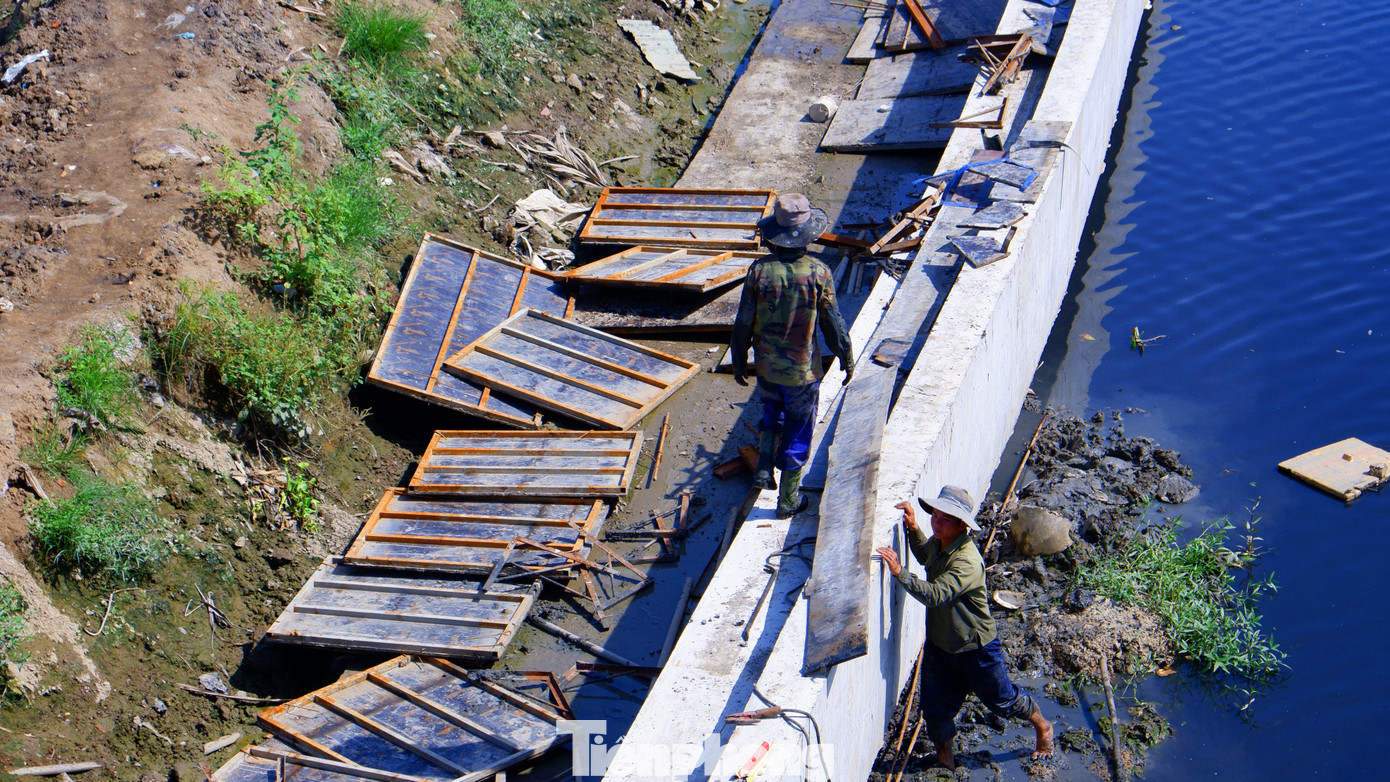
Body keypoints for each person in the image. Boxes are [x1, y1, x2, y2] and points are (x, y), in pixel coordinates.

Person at [875, 486, 1053, 769]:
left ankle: (1043, 727)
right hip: (941, 644)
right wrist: (911, 527)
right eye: (935, 514)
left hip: (976, 649)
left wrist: (899, 573)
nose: (937, 522)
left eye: (946, 518)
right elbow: (926, 555)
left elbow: (934, 595)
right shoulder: (942, 541)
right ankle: (945, 760)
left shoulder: (966, 561)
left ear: (962, 525)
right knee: (935, 709)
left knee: (1002, 701)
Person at [730, 193, 854, 518]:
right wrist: (846, 355)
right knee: (799, 429)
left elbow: (743, 320)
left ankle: (763, 467)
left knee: (773, 414)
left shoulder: (758, 272)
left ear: (773, 238)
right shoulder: (819, 272)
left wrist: (739, 359)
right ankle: (787, 501)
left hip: (767, 368)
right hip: (801, 373)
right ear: (808, 237)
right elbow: (833, 323)